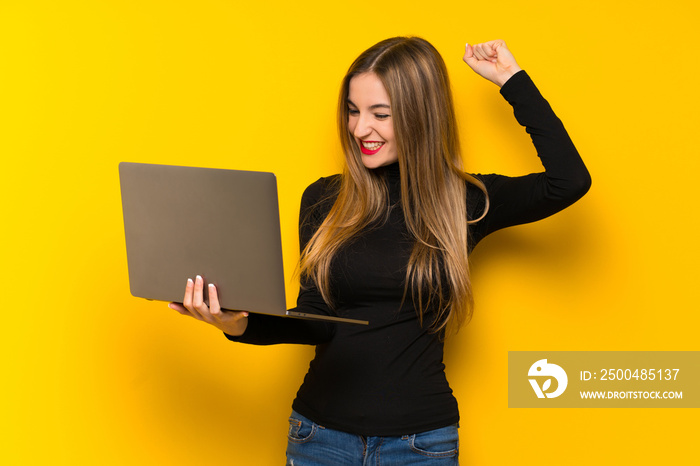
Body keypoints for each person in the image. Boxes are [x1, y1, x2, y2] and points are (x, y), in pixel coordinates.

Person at [168, 37, 591, 465]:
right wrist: (235, 322)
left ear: (420, 117)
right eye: (353, 111)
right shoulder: (324, 199)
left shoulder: (463, 202)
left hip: (421, 447)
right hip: (319, 438)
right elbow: (316, 321)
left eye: (380, 114)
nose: (359, 129)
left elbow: (568, 181)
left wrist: (510, 80)